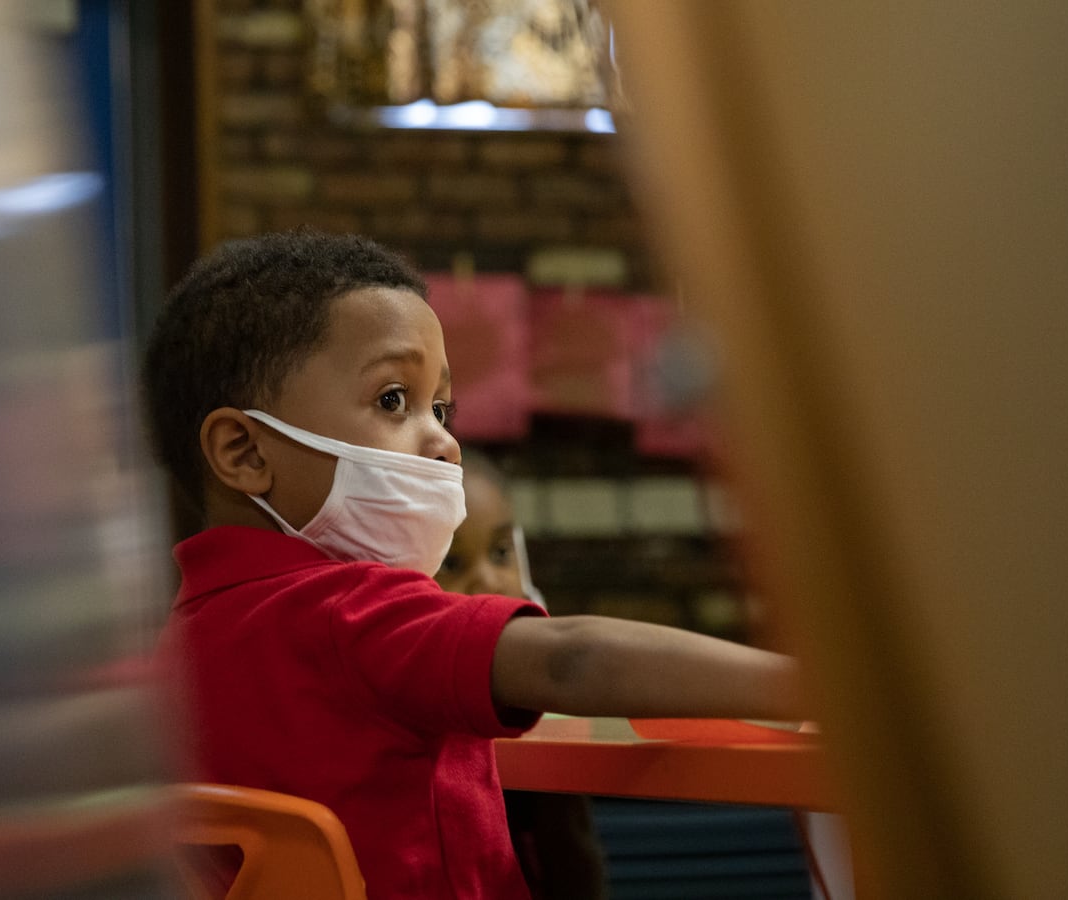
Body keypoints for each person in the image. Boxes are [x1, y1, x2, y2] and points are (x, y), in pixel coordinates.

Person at [143, 230, 802, 900]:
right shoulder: (351, 613)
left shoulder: (179, 644)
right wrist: (817, 689)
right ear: (243, 451)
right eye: (393, 399)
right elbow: (570, 659)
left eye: (441, 407)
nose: (443, 441)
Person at [436, 450, 608, 900]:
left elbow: (574, 855)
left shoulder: (539, 688)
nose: (489, 580)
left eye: (500, 552)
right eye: (452, 564)